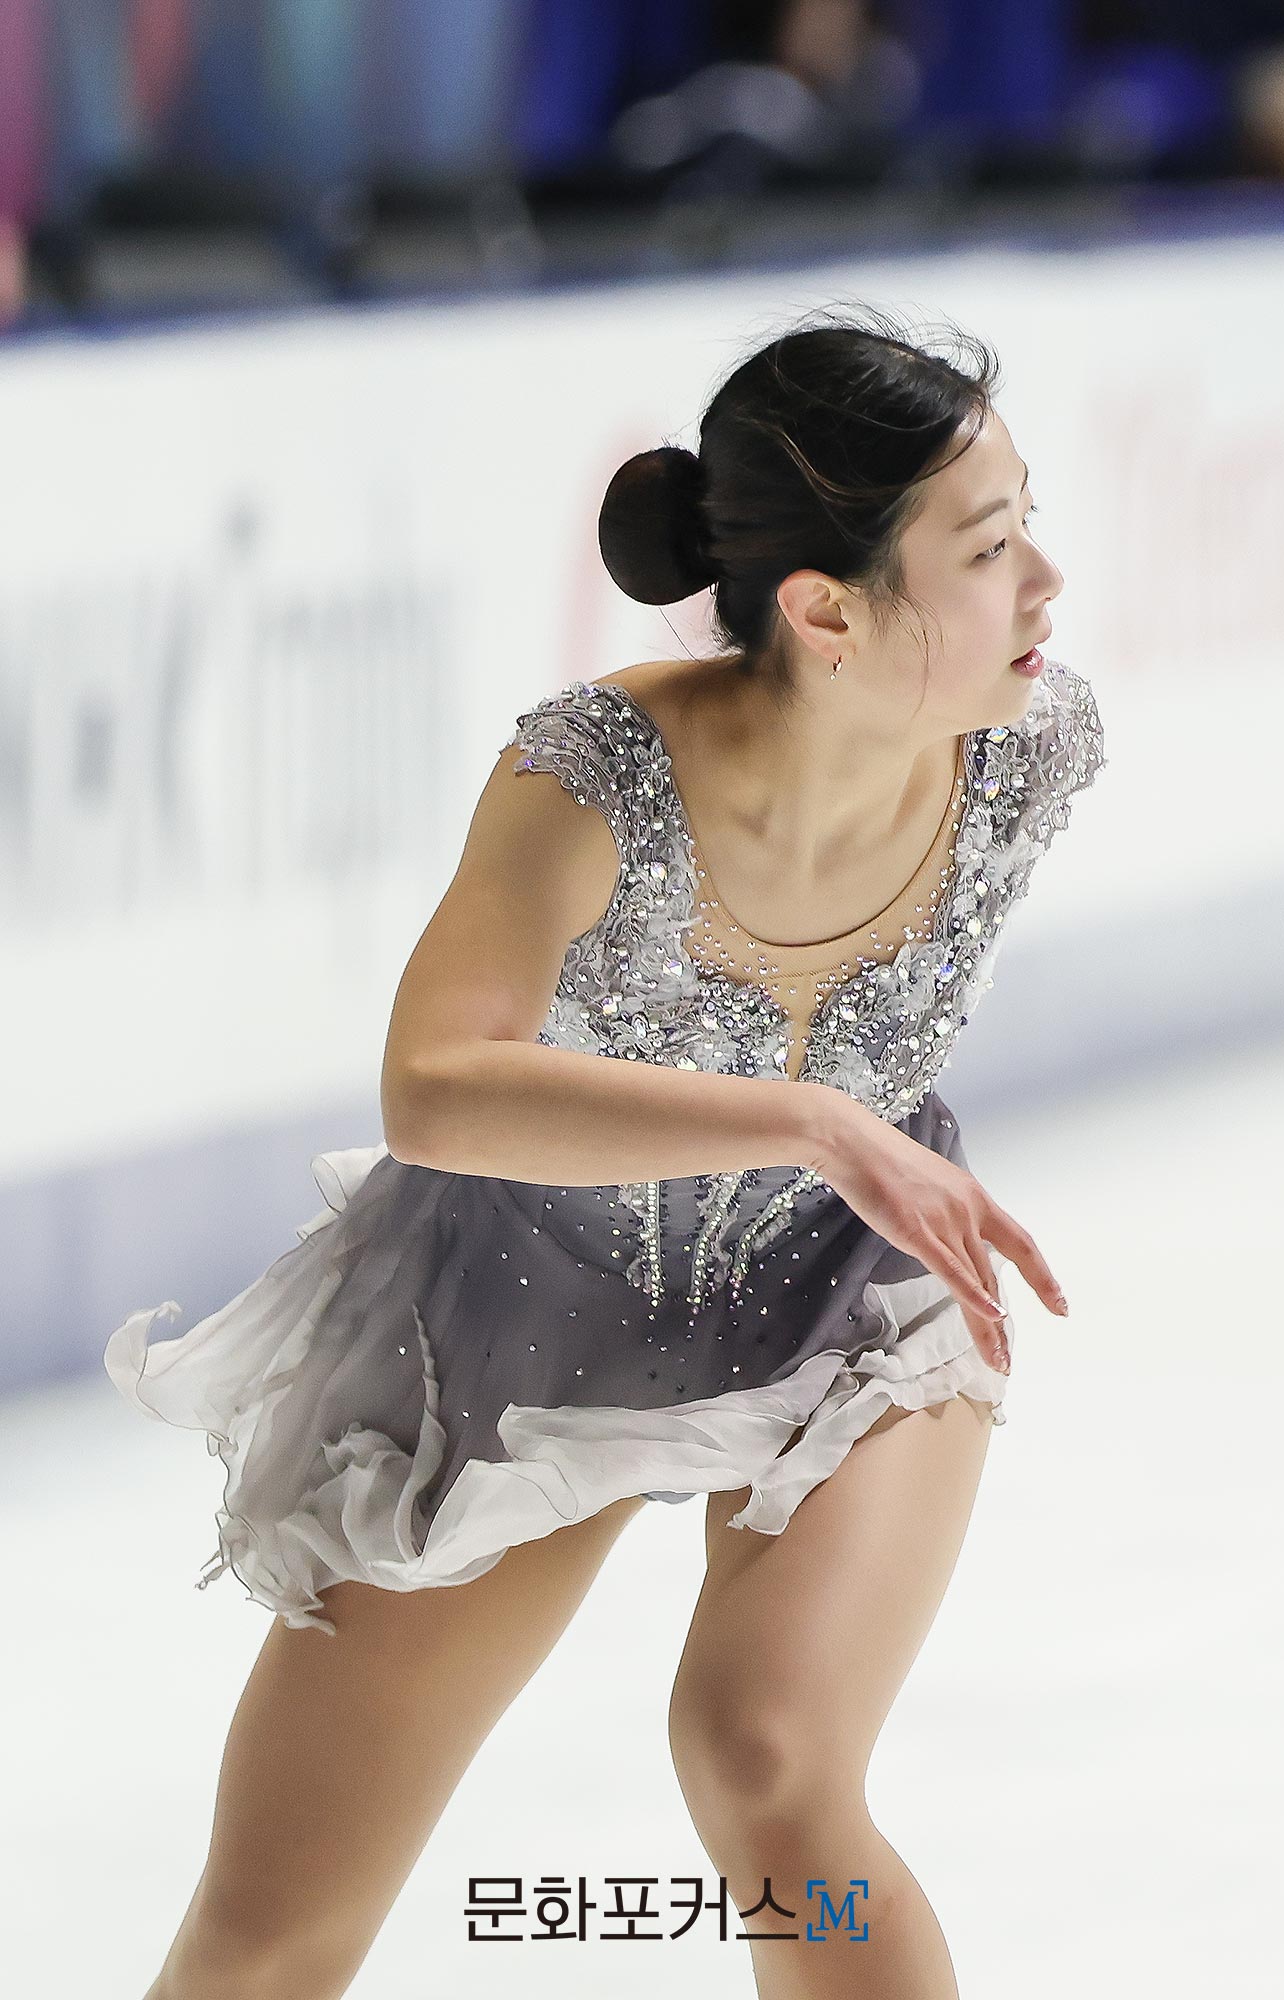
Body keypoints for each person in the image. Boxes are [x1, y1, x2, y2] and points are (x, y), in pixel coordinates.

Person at [105, 303, 1107, 1999]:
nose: (1046, 585)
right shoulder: (597, 774)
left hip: (846, 1289)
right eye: (989, 547)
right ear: (824, 610)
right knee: (272, 1926)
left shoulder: (1029, 753)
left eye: (1027, 527)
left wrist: (836, 1153)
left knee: (766, 1758)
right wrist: (812, 1118)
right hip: (519, 1309)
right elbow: (436, 1086)